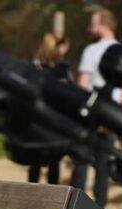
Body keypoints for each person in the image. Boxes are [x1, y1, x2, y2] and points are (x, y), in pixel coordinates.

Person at [74, 8, 119, 208]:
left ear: (103, 25)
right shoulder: (121, 51)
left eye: (93, 23)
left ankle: (75, 205)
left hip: (90, 113)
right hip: (112, 115)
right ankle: (99, 208)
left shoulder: (91, 51)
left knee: (82, 160)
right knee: (103, 163)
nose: (89, 27)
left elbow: (83, 84)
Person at [30, 32, 73, 185]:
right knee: (52, 158)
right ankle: (51, 192)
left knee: (37, 158)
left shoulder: (36, 64)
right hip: (53, 115)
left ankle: (33, 190)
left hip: (39, 113)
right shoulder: (60, 67)